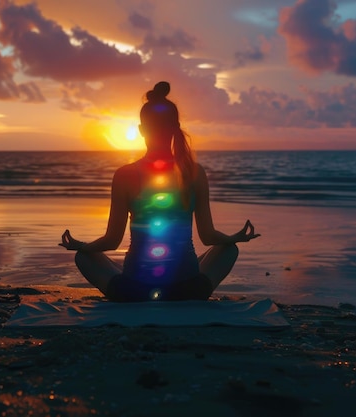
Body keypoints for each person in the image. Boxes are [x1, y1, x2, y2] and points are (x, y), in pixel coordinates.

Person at [60, 81, 259, 301]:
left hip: (133, 290)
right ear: (176, 128)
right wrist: (235, 237)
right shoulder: (195, 172)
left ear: (141, 130)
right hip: (189, 290)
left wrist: (82, 246)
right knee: (229, 249)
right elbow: (208, 236)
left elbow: (112, 241)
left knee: (84, 257)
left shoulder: (125, 174)